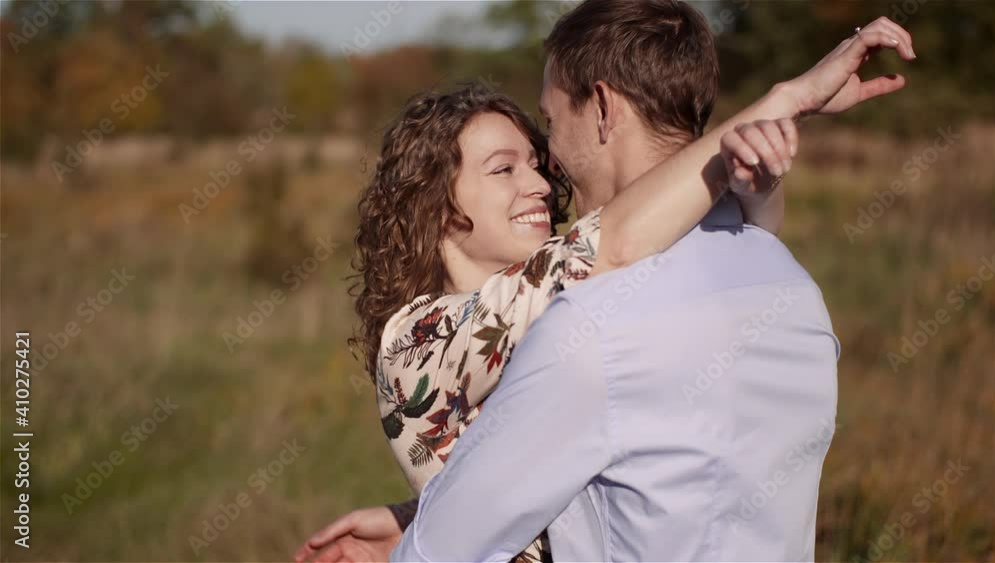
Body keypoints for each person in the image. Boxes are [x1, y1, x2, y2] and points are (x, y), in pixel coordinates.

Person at [296, 0, 915, 561]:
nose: (544, 178)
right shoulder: (420, 337)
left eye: (540, 149)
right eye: (503, 168)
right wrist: (785, 107)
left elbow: (554, 481)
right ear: (435, 202)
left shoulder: (583, 325)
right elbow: (610, 245)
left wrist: (418, 520)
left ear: (602, 107)